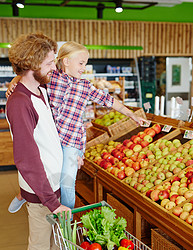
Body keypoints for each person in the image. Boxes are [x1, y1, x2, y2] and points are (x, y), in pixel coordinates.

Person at [7, 41, 148, 214]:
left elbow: (109, 101)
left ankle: (66, 219)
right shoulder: (52, 78)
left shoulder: (85, 86)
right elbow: (29, 76)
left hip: (71, 143)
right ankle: (24, 195)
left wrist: (131, 114)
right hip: (52, 140)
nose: (84, 67)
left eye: (85, 64)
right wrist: (15, 81)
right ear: (66, 61)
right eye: (81, 63)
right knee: (42, 173)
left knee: (66, 183)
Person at [6, 32, 71, 250]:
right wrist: (52, 202)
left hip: (53, 185)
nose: (53, 67)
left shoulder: (41, 89)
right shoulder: (20, 103)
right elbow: (27, 159)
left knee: (56, 249)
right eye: (48, 63)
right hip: (40, 193)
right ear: (32, 64)